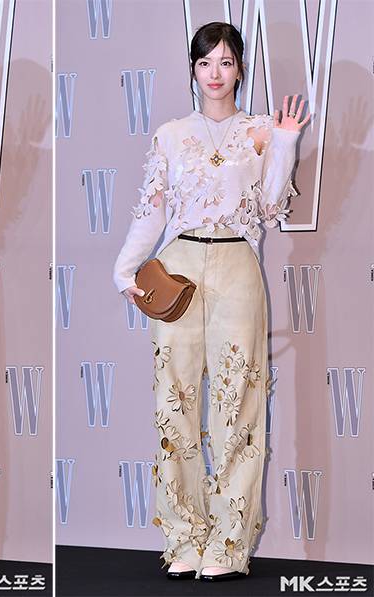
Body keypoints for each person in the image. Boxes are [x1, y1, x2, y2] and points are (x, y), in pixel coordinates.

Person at [113, 22, 310, 582]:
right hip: (178, 267)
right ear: (193, 71)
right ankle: (184, 537)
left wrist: (285, 144)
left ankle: (228, 543)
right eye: (205, 63)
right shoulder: (171, 135)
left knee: (238, 403)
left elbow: (269, 208)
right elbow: (151, 209)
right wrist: (124, 269)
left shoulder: (262, 131)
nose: (215, 73)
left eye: (225, 62)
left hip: (238, 265)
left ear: (240, 69)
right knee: (174, 401)